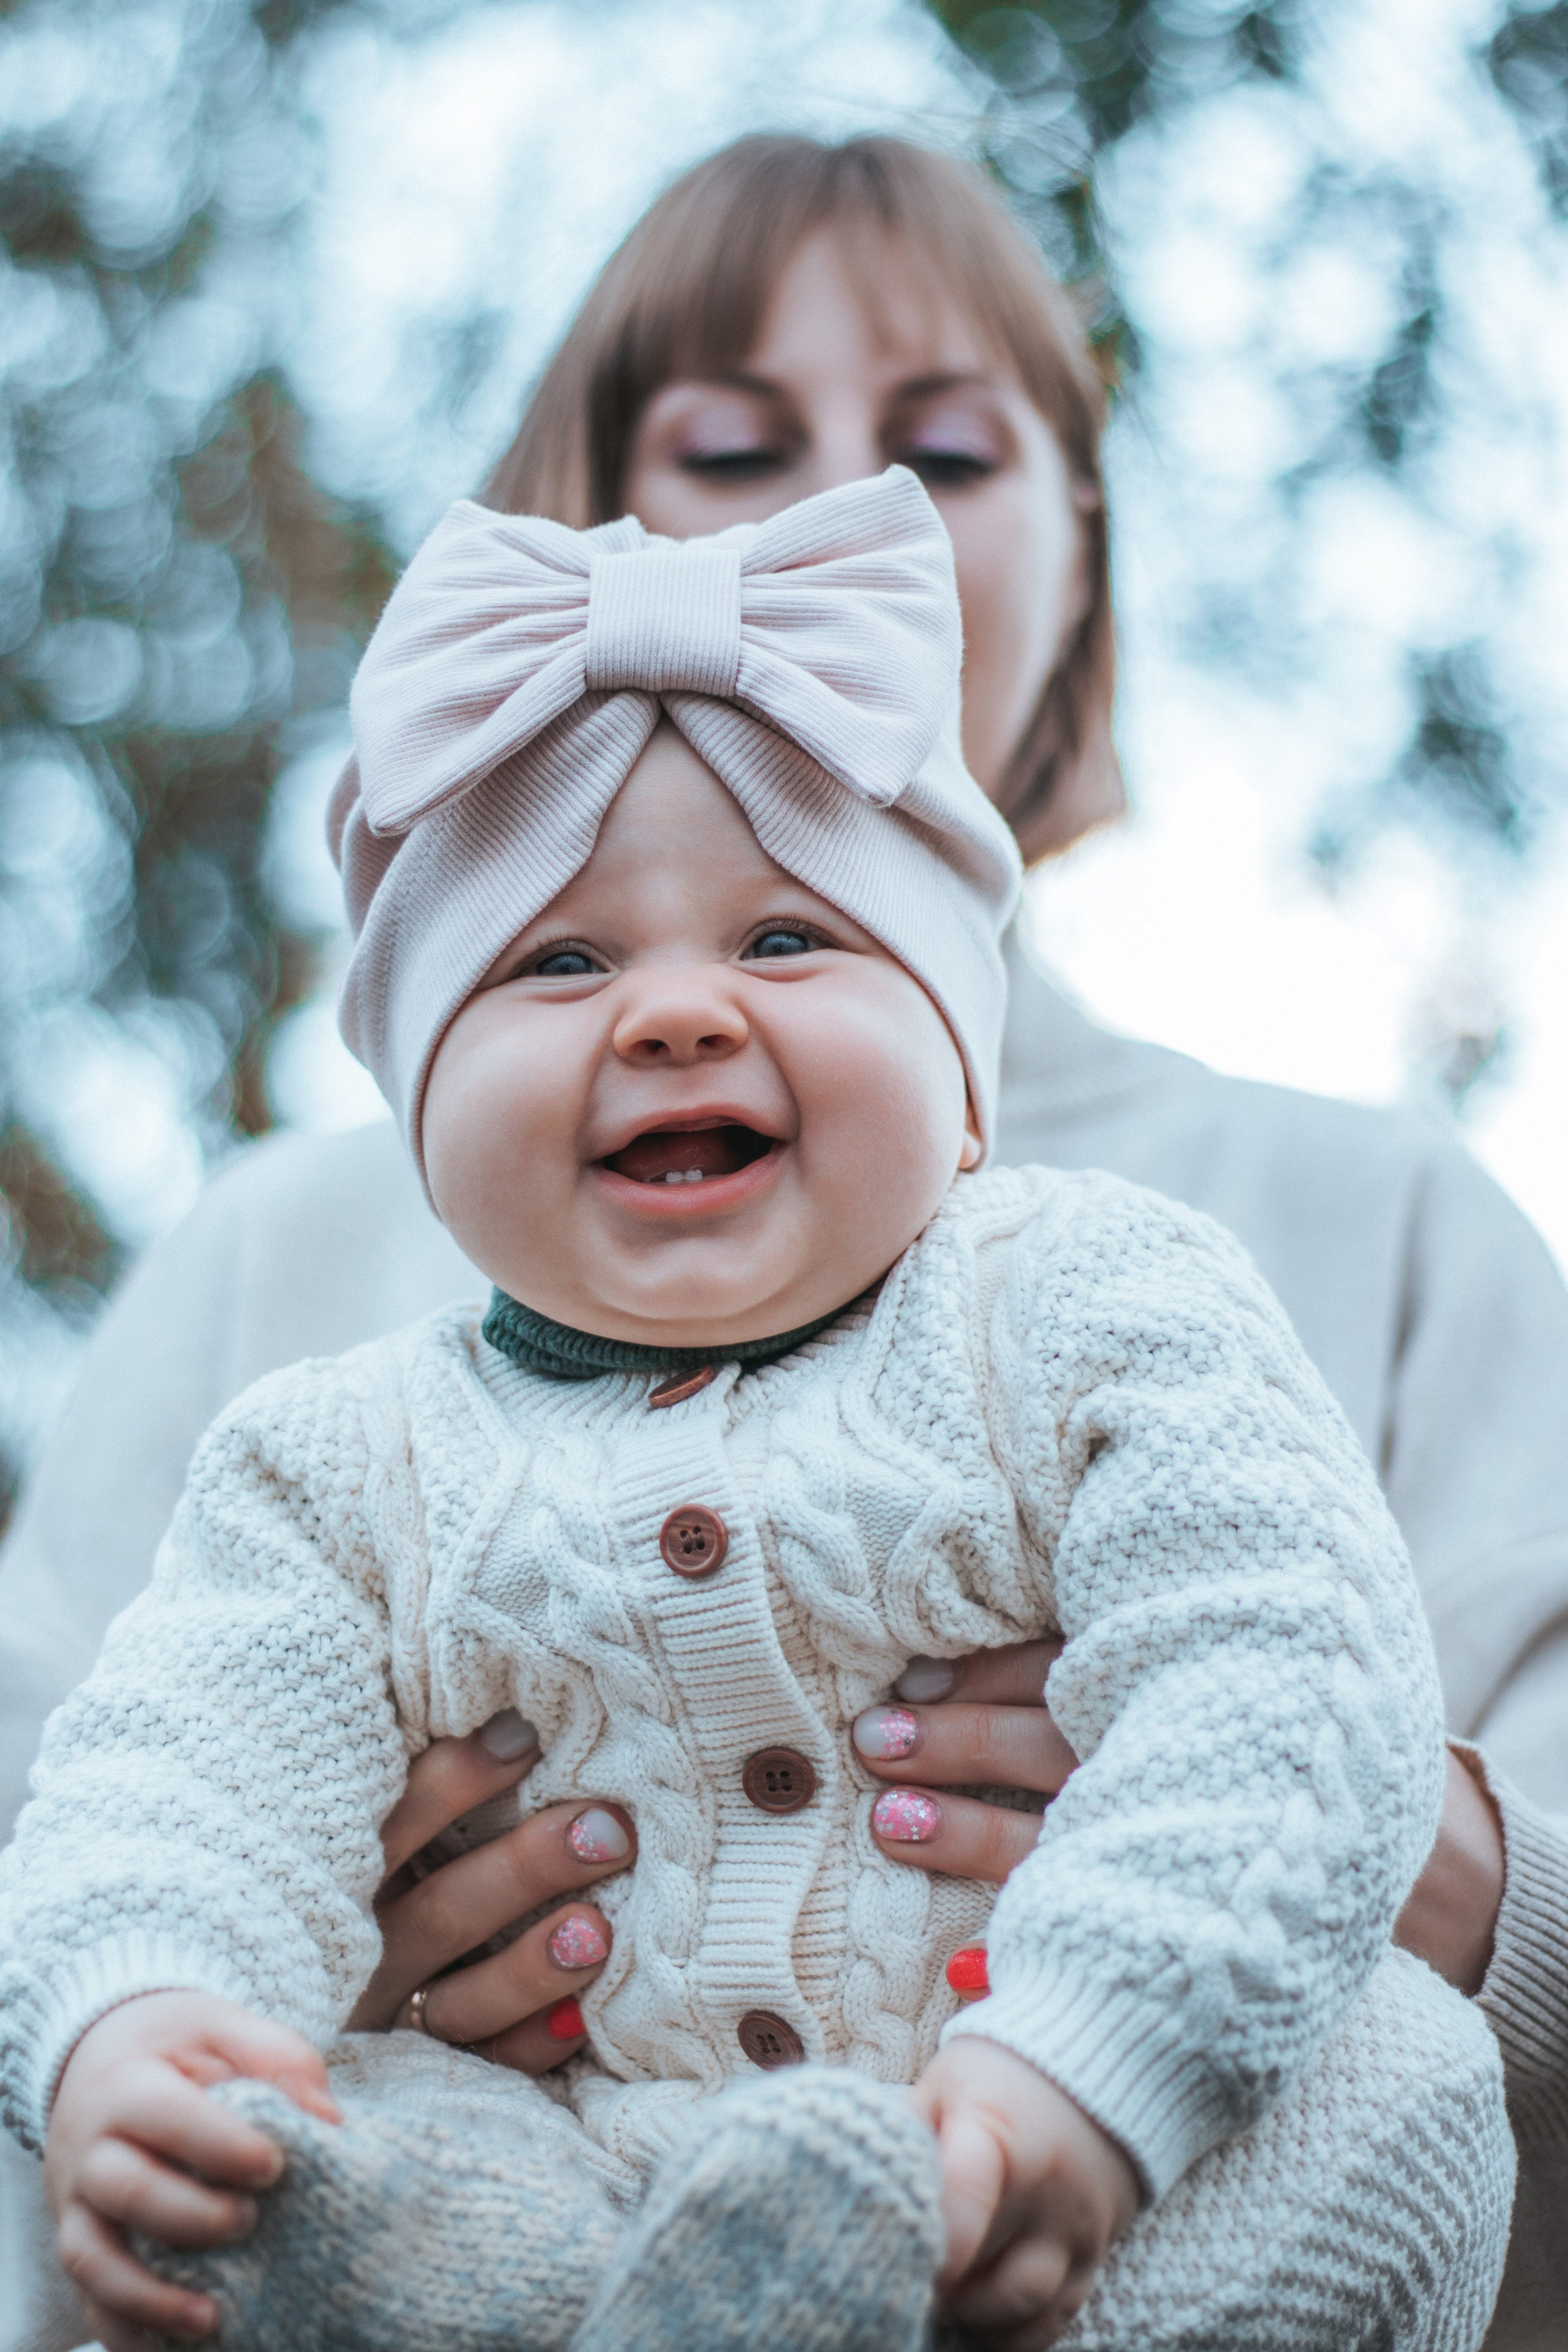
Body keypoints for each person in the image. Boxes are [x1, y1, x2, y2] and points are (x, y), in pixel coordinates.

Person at [0, 134, 1564, 2351]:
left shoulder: (1189, 1269)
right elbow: (151, 1780)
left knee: (1395, 2087)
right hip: (564, 2181)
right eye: (733, 448)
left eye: (945, 449)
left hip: (1089, 2180)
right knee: (332, 2162)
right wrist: (165, 2016)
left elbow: (1280, 1639)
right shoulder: (310, 1400)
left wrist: (1223, 1976)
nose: (671, 1012)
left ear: (1081, 546)